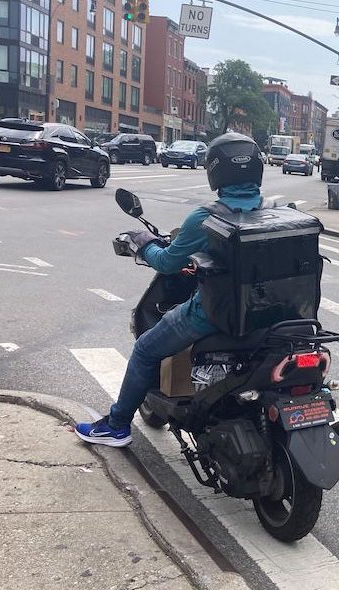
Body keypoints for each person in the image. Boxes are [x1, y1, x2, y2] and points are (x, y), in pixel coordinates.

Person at [74, 132, 265, 447]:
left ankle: (117, 426)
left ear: (215, 171)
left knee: (145, 350)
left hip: (214, 315)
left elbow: (167, 262)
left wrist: (141, 243)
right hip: (272, 315)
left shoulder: (207, 218)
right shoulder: (277, 212)